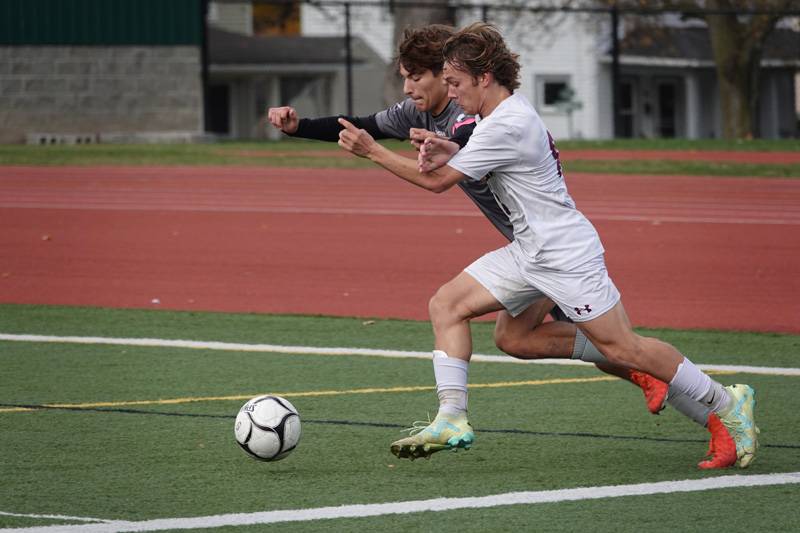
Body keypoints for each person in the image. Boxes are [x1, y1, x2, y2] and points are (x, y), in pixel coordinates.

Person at [335, 22, 758, 469]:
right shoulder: (492, 118)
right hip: (529, 250)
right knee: (472, 317)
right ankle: (452, 417)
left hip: (565, 255)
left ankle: (727, 403)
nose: (452, 93)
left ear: (484, 77)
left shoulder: (506, 123)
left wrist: (372, 151)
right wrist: (445, 150)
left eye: (457, 83)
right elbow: (466, 160)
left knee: (624, 348)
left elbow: (438, 183)